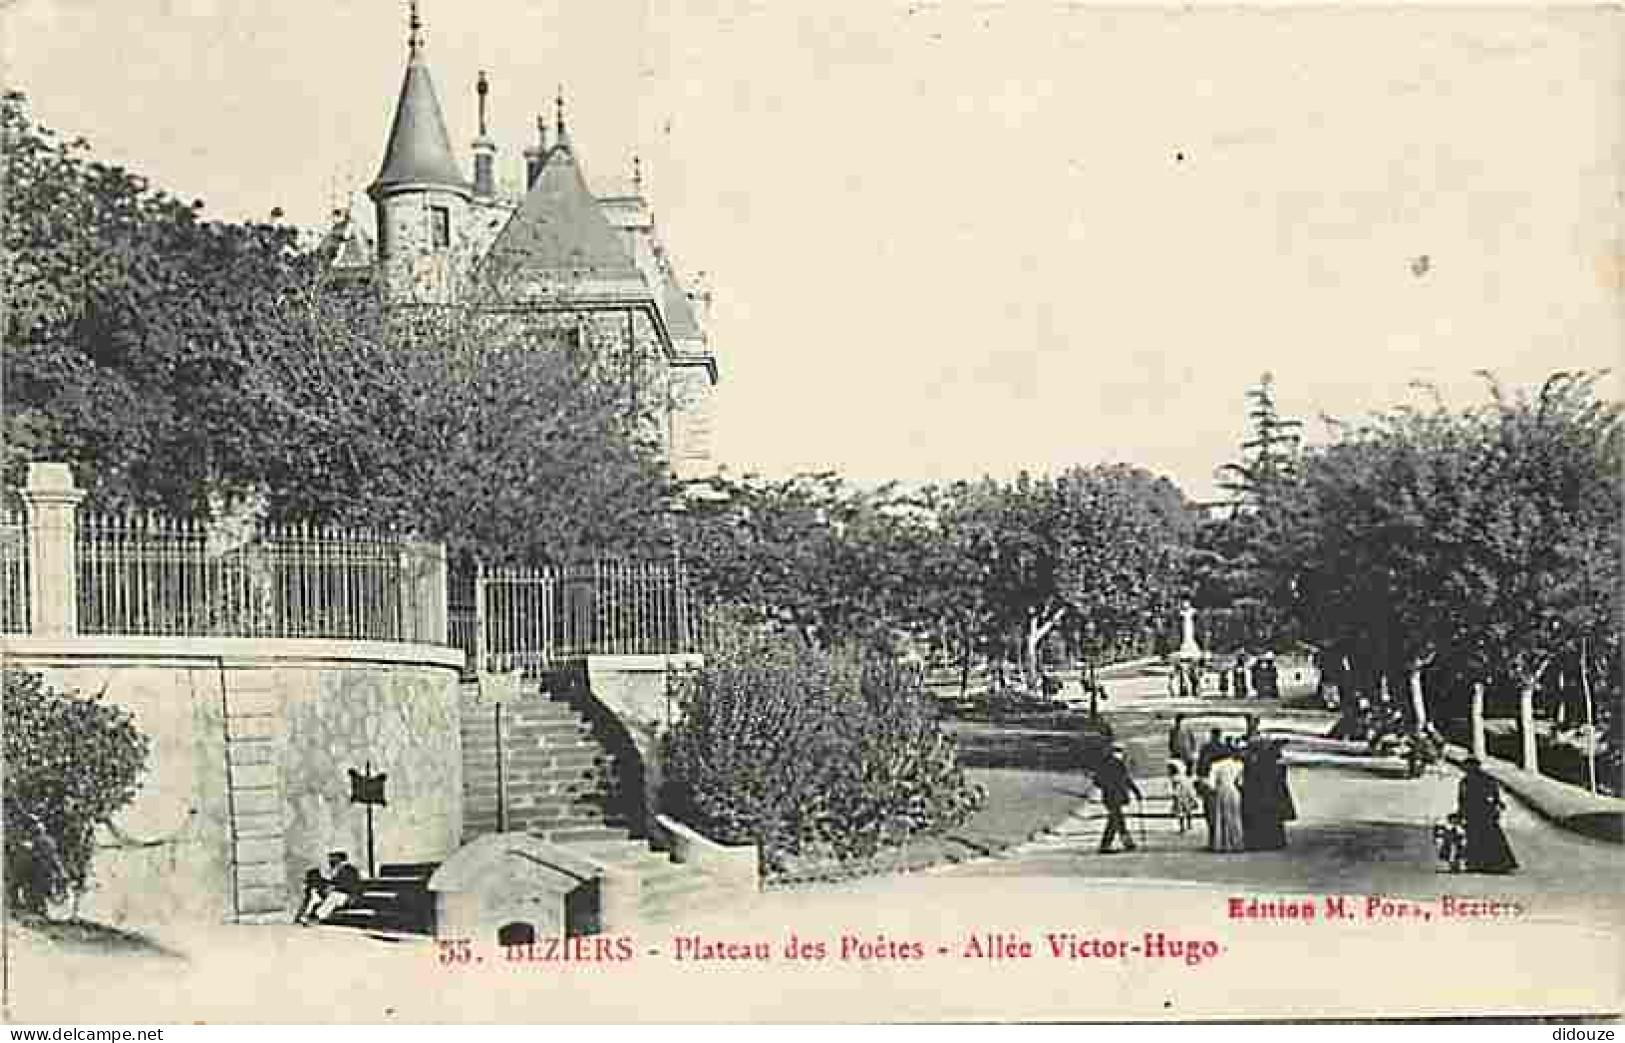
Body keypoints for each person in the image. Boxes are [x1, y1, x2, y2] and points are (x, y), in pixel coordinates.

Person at [1457, 758, 1518, 874]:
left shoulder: (1481, 780)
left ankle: (1492, 863)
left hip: (1482, 812)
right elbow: (1462, 799)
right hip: (1477, 812)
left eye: (1468, 767)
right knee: (1480, 837)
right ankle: (1480, 863)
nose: (1465, 769)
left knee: (1485, 836)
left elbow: (1493, 794)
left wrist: (1496, 804)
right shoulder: (1467, 781)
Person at [1241, 739, 1295, 850]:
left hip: (1257, 796)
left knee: (1257, 820)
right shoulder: (1274, 764)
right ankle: (1273, 842)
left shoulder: (1253, 763)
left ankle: (1256, 842)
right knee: (1272, 820)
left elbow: (1248, 779)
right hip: (1271, 795)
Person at [1093, 743, 1143, 854]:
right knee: (1114, 821)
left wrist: (1105, 785)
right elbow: (1126, 780)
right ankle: (1105, 845)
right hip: (1115, 796)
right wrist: (1136, 792)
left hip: (1109, 796)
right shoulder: (1118, 764)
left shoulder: (1104, 764)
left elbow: (1096, 781)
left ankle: (1127, 843)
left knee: (1118, 819)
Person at [296, 850, 364, 925]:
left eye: (333, 857)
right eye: (330, 857)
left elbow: (349, 886)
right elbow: (332, 883)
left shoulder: (350, 870)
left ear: (339, 858)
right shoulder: (336, 869)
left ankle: (317, 917)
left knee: (334, 896)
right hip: (337, 894)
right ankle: (306, 915)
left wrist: (333, 888)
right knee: (316, 895)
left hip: (348, 897)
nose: (330, 859)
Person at [1206, 740, 1246, 853]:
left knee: (1222, 818)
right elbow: (1240, 782)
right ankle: (1237, 843)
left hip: (1221, 791)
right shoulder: (1239, 765)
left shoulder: (1216, 765)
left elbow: (1211, 784)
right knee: (1235, 817)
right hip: (1234, 791)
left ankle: (1223, 844)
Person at [1194, 727, 1226, 848]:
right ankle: (1220, 840)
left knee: (1210, 814)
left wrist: (1199, 782)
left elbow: (1200, 767)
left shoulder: (1206, 748)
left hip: (1208, 783)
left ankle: (1212, 840)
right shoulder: (1224, 748)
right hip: (1222, 783)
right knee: (1220, 814)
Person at [1167, 759, 1199, 835]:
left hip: (1180, 797)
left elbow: (1176, 788)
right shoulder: (1183, 776)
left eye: (1169, 769)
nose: (1168, 771)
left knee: (1181, 812)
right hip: (1186, 795)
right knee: (1188, 811)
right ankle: (1189, 825)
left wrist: (1174, 794)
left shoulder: (1175, 778)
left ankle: (1183, 827)